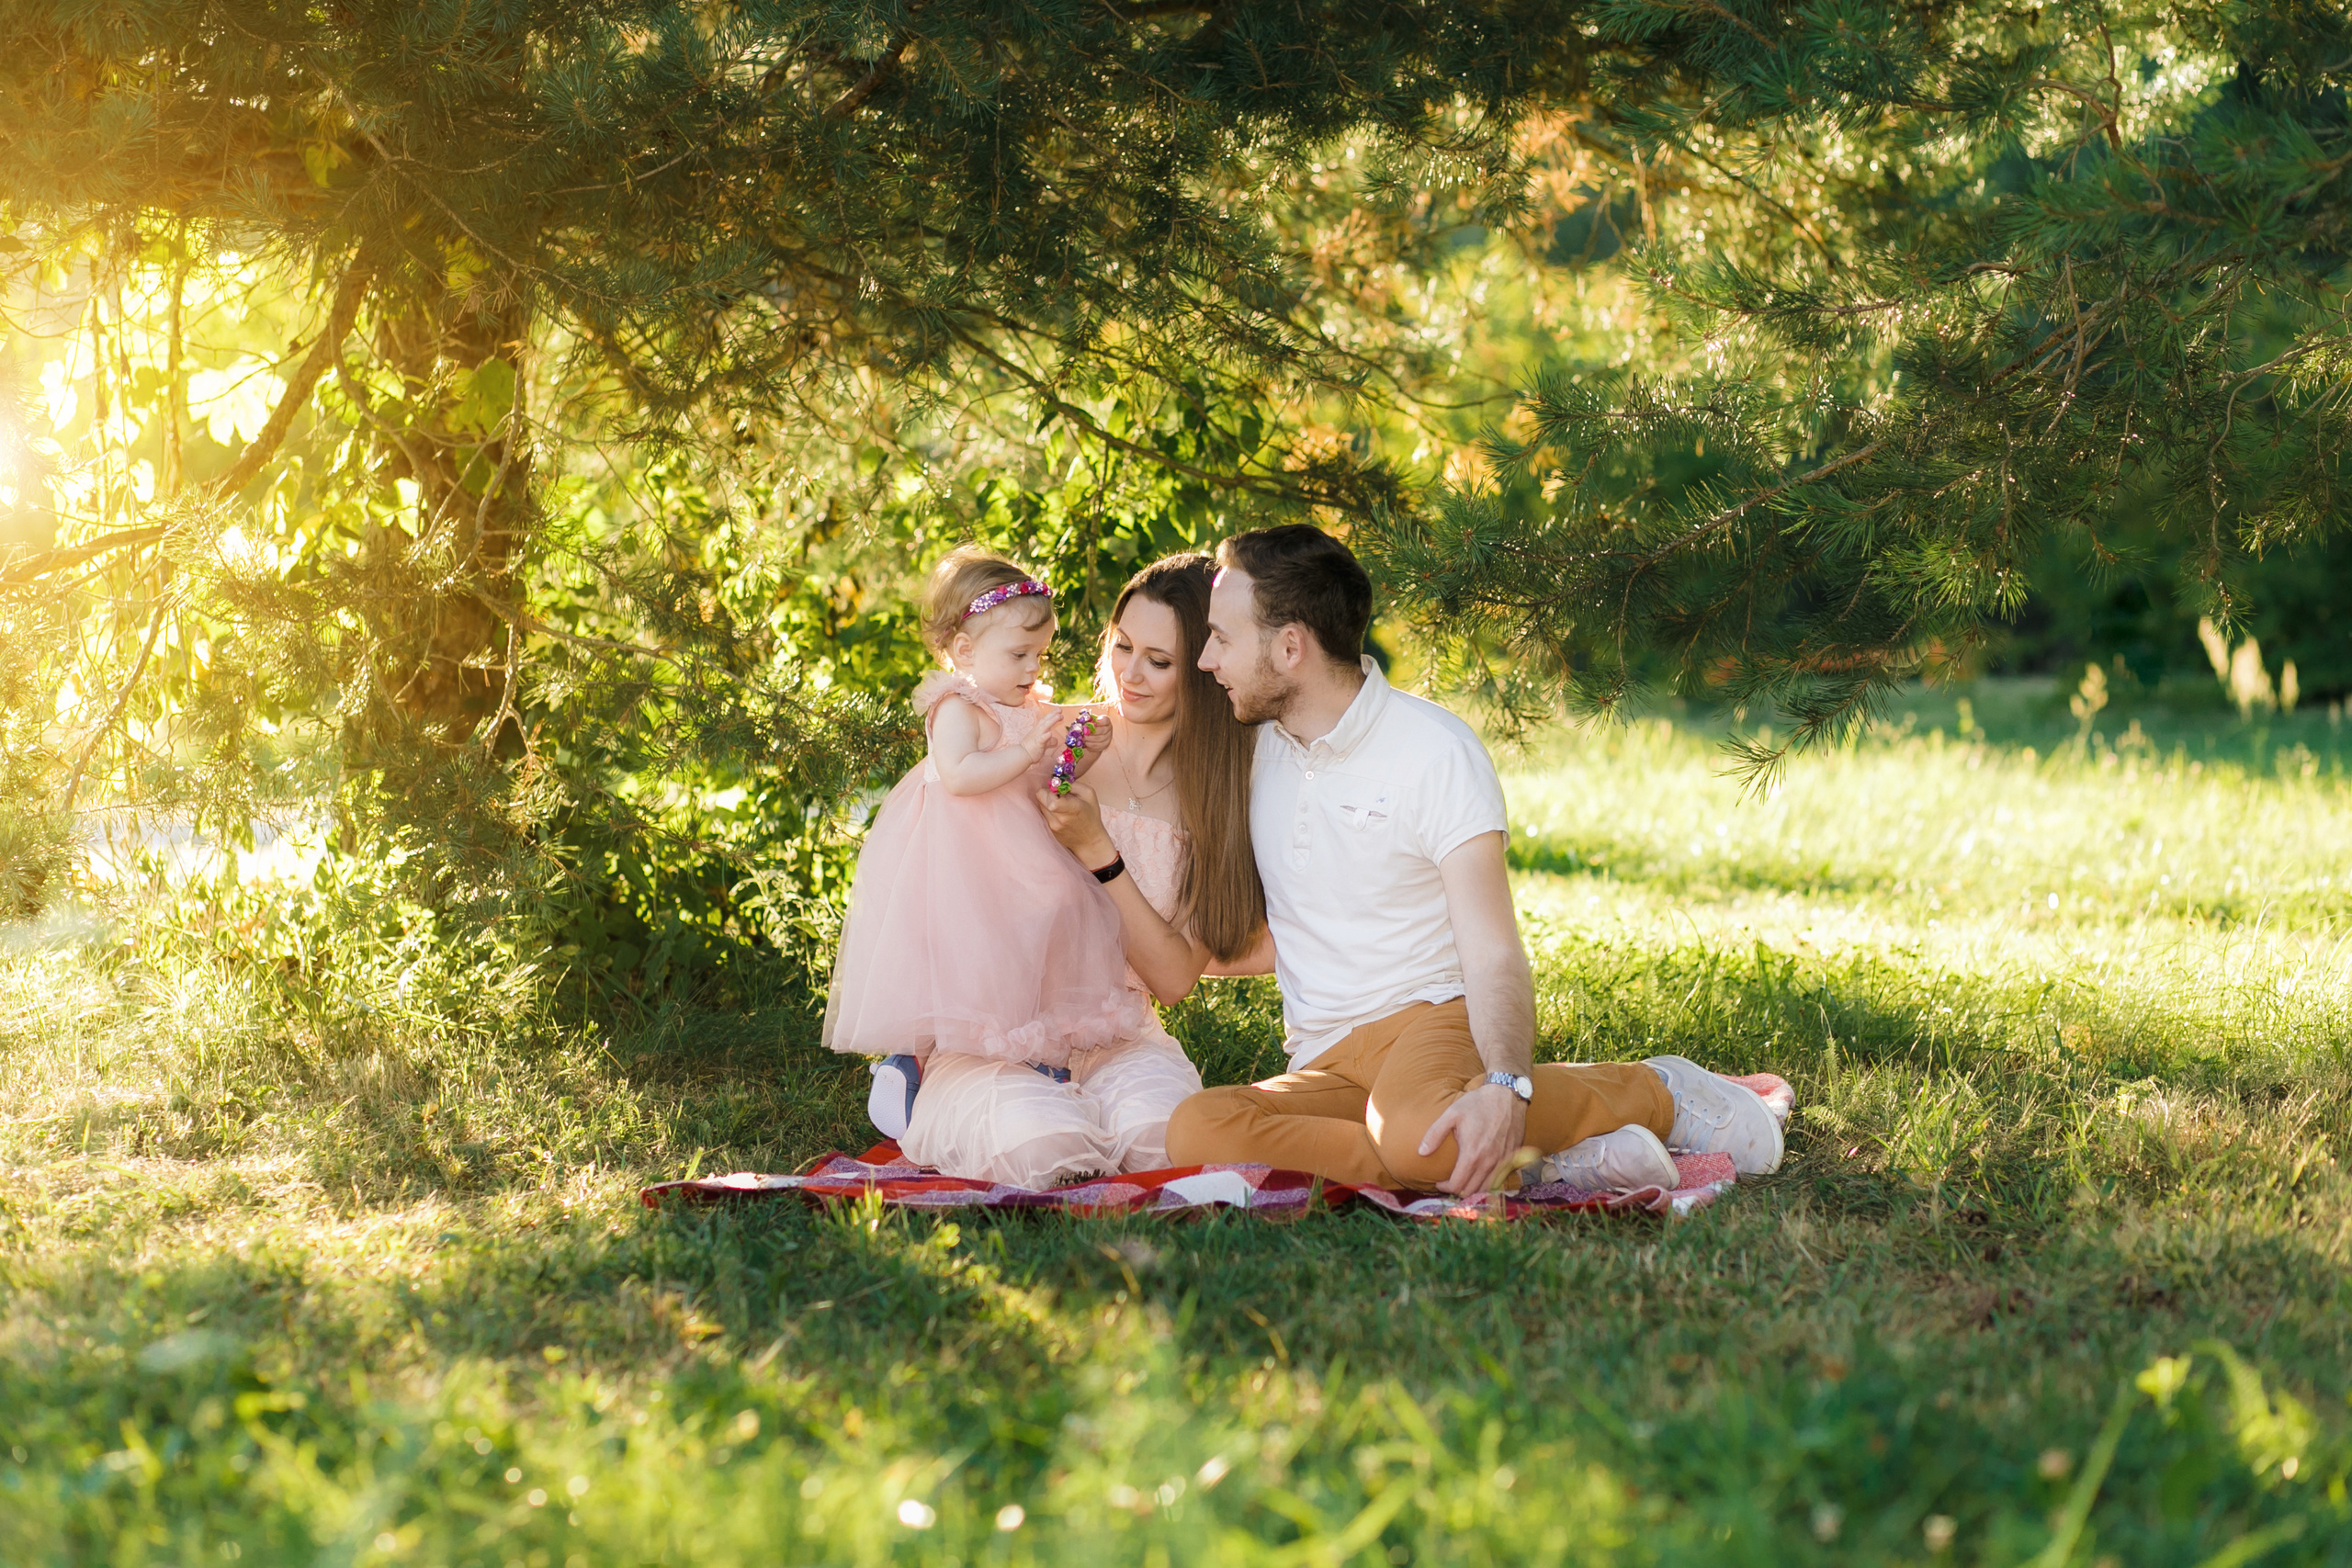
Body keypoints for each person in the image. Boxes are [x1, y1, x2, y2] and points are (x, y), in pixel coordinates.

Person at [1159, 524, 1784, 1194]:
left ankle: (1652, 1091)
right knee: (1195, 1127)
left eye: (1222, 638)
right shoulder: (1255, 750)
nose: (1205, 661)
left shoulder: (1434, 751)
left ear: (1290, 647)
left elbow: (1492, 952)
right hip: (1326, 1060)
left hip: (1431, 1019)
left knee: (1416, 1134)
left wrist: (1508, 1085)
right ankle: (1518, 1162)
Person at [857, 551, 1272, 1187]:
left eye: (1158, 661)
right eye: (1122, 646)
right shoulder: (1051, 736)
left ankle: (1096, 1099)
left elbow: (1172, 978)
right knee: (1048, 1150)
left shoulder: (1215, 797)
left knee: (1163, 1143)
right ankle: (925, 1082)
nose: (1129, 674)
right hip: (1001, 1032)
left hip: (1117, 1028)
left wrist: (1099, 853)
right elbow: (947, 850)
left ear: (1202, 668)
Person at [823, 547, 1149, 1169]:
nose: (1032, 668)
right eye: (1018, 654)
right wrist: (1027, 750)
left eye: (1040, 655)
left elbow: (1045, 781)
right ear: (965, 651)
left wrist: (1079, 753)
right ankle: (916, 1062)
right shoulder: (956, 706)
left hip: (1023, 852)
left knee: (1039, 936)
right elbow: (963, 774)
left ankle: (1039, 1052)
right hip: (966, 864)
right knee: (975, 959)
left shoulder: (1025, 704)